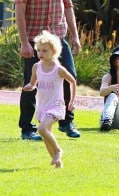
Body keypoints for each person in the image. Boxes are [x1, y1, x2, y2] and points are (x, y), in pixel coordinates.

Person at [13, 0, 81, 140]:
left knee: (70, 76)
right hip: (35, 40)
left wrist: (75, 37)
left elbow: (67, 5)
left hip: (59, 39)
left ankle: (66, 122)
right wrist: (25, 42)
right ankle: (27, 128)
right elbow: (19, 11)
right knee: (31, 83)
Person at [23, 31, 76, 168]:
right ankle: (57, 162)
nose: (40, 53)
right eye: (39, 50)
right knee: (47, 136)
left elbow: (73, 82)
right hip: (42, 106)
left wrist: (71, 101)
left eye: (45, 51)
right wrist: (30, 86)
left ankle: (58, 151)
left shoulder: (58, 69)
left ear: (53, 51)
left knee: (41, 129)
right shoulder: (36, 67)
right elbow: (33, 83)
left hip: (56, 106)